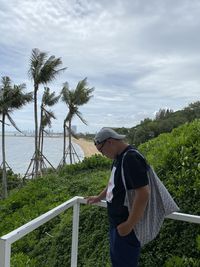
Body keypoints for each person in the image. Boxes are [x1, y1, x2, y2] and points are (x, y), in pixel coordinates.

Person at [86, 127, 150, 267]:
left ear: (110, 142)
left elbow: (144, 193)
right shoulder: (119, 157)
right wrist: (99, 197)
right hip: (117, 225)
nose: (102, 154)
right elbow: (113, 184)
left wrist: (129, 225)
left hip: (126, 228)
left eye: (101, 150)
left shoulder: (131, 158)